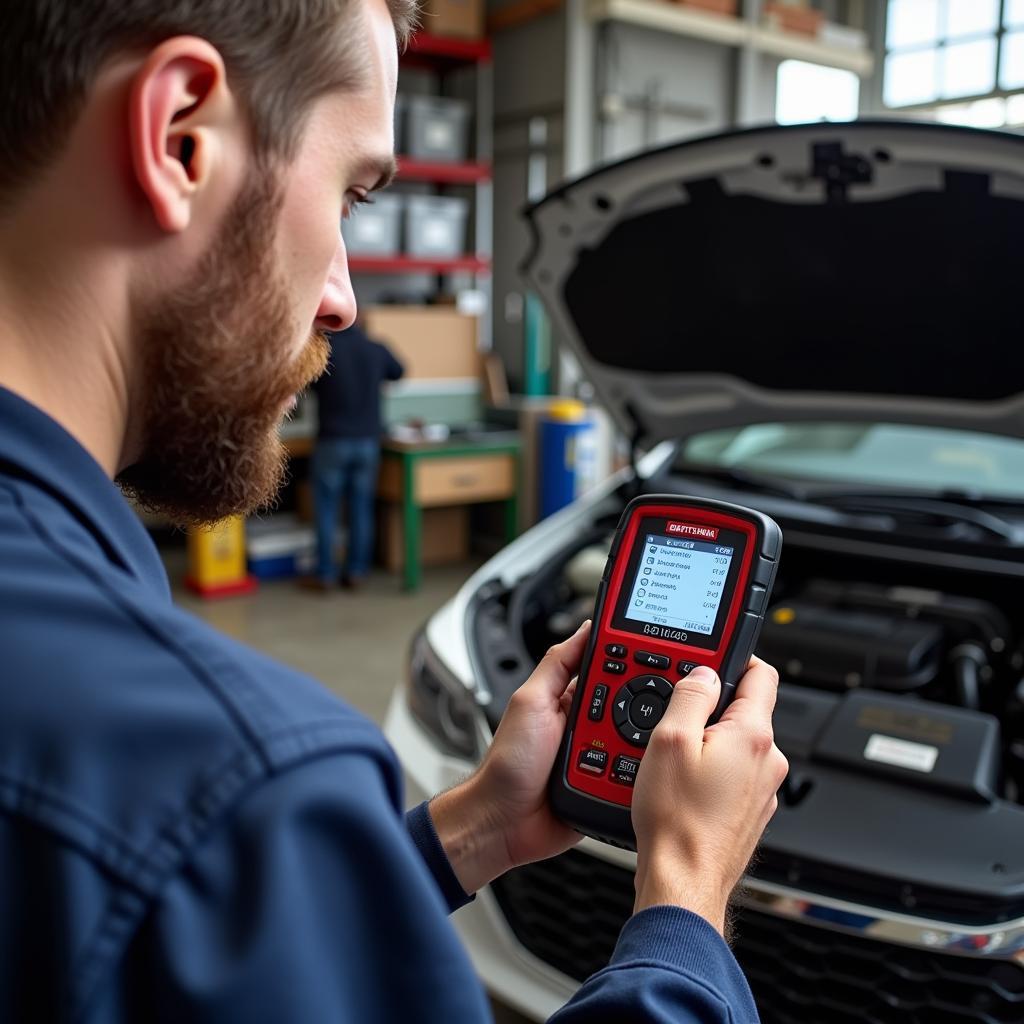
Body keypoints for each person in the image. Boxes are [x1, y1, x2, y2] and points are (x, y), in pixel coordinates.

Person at [0, 1, 789, 1022]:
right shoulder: (236, 786)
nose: (342, 299)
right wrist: (684, 895)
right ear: (179, 136)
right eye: (351, 196)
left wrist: (477, 830)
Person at [305, 324, 404, 591]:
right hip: (367, 442)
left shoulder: (325, 352)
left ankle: (325, 573)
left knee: (327, 510)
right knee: (361, 508)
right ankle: (356, 572)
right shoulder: (376, 348)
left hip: (332, 441)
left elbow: (308, 384)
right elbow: (399, 371)